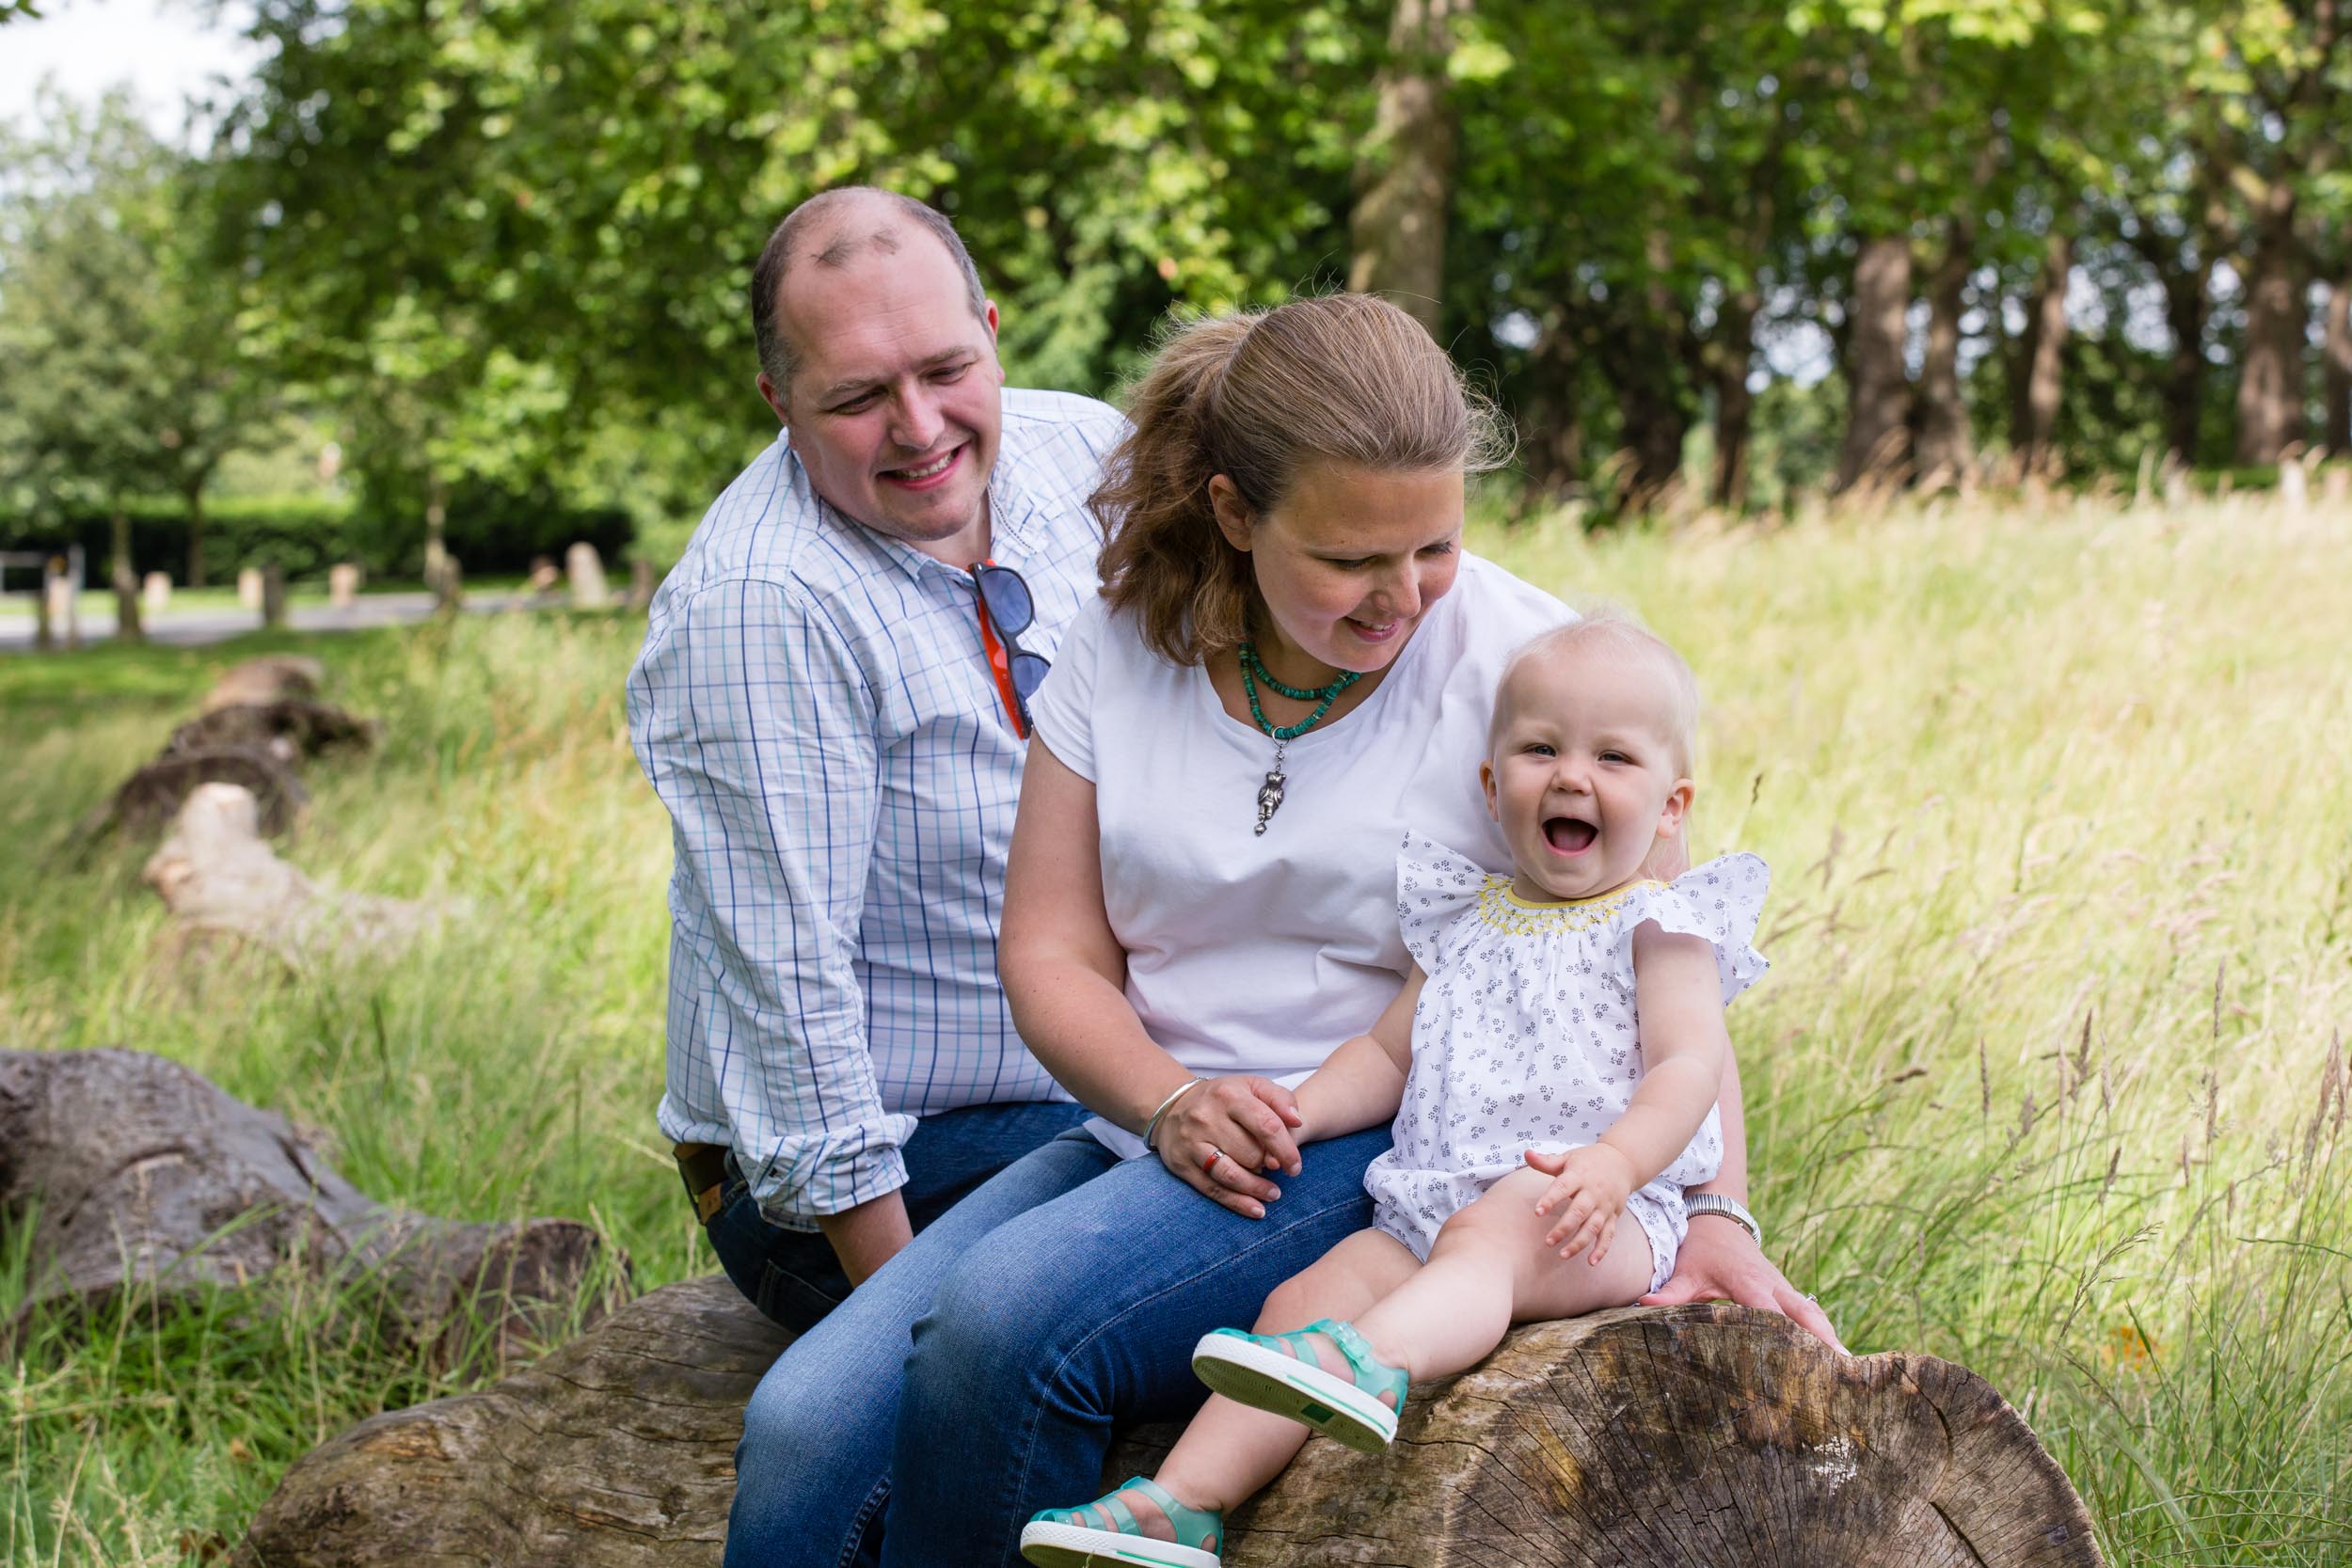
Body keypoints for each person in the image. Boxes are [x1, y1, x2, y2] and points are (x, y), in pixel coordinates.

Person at [724, 293, 1835, 1568]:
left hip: (1379, 1138)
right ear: (1235, 512)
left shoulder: (1534, 669)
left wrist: (1718, 1213)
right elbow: (1052, 954)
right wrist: (1169, 1099)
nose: (1401, 594)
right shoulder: (1120, 644)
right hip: (1156, 1124)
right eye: (1351, 560)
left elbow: (1670, 946)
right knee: (804, 1425)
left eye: (1432, 545)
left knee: (1004, 1329)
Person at [1019, 617, 1772, 1567]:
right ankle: (1182, 1502)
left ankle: (1375, 1363)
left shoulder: (1658, 925)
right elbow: (1384, 1054)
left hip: (1590, 1212)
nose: (1571, 775)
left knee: (1494, 1231)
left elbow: (1686, 1067)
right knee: (1306, 1292)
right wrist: (1299, 1106)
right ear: (1493, 788)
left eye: (1613, 757)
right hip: (1425, 1199)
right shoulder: (1466, 915)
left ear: (1671, 806)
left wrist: (1617, 1161)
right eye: (1540, 749)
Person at [625, 185, 1124, 1339]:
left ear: (992, 332)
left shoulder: (1090, 451)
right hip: (881, 1162)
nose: (918, 425)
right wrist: (904, 1338)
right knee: (1236, 1223)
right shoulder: (762, 604)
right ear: (778, 402)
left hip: (1104, 1069)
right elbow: (789, 1000)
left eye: (946, 368)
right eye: (856, 396)